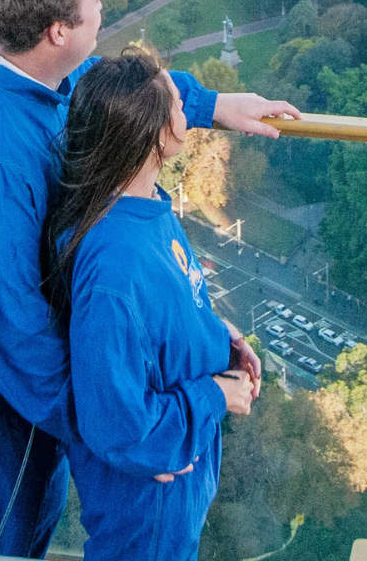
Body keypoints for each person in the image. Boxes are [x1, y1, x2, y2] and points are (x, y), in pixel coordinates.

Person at [0, 0, 300, 556]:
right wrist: (134, 439)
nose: (105, 10)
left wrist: (204, 103)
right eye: (95, 3)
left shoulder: (5, 66)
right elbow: (15, 337)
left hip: (1, 404)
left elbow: (96, 88)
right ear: (57, 31)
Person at [47, 47, 254, 561]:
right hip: (147, 507)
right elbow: (119, 425)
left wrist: (216, 339)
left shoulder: (145, 209)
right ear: (160, 135)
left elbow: (163, 312)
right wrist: (214, 397)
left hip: (171, 488)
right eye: (178, 102)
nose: (188, 106)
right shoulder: (113, 268)